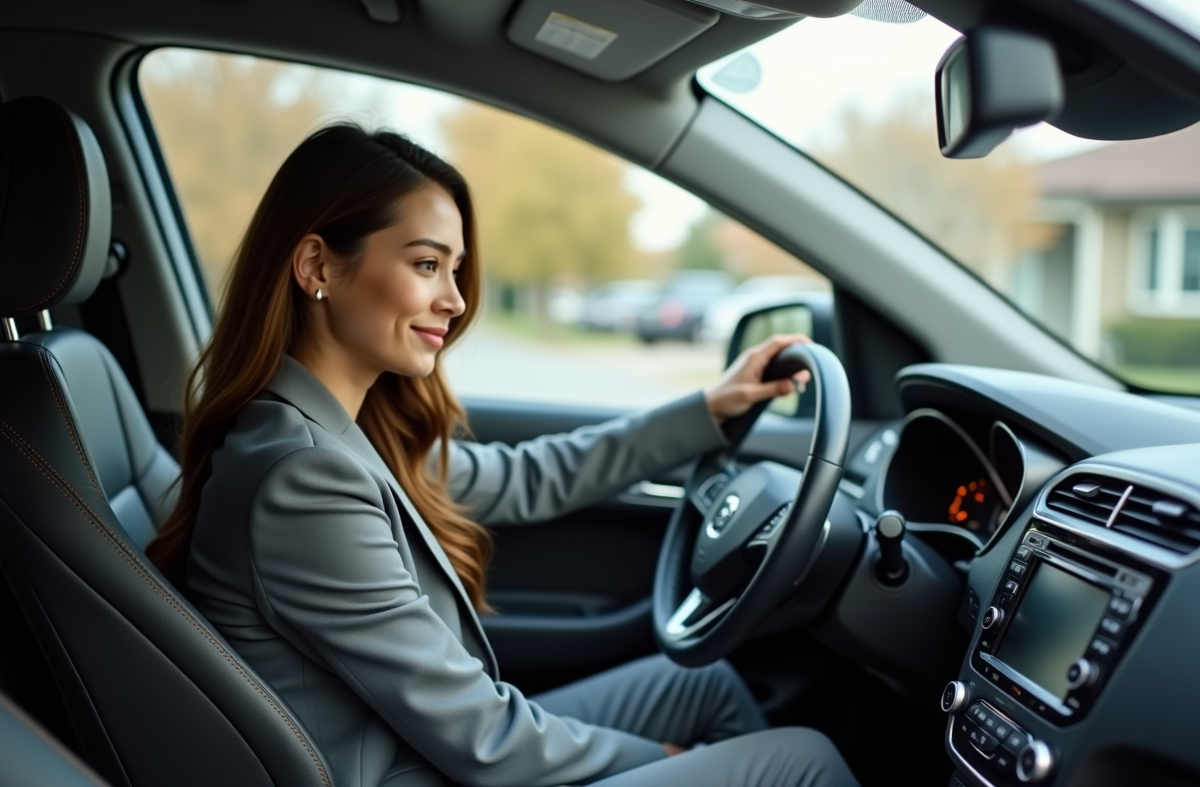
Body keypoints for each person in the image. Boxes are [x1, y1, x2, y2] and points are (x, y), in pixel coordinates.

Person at [146, 125, 858, 787]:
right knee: (802, 760)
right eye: (427, 264)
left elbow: (529, 476)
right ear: (316, 266)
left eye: (455, 269)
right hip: (417, 770)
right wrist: (664, 762)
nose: (456, 301)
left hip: (423, 751)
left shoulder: (340, 437)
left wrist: (709, 409)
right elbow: (482, 736)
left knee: (701, 686)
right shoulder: (304, 480)